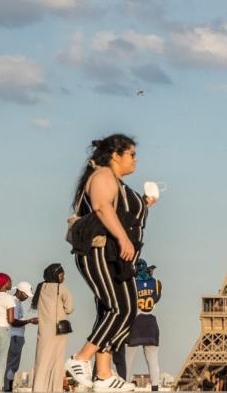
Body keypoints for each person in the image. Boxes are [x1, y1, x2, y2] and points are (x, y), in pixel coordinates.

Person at [65, 134, 155, 393]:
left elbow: (122, 211)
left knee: (121, 311)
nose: (136, 160)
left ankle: (104, 374)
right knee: (119, 308)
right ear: (115, 155)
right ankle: (80, 358)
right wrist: (124, 238)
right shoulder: (103, 175)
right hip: (101, 251)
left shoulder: (117, 183)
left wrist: (146, 204)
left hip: (118, 255)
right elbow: (102, 206)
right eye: (132, 154)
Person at [31, 264, 75, 393]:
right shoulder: (61, 287)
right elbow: (70, 307)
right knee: (57, 360)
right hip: (58, 329)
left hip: (43, 330)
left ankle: (38, 389)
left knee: (41, 360)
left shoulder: (41, 287)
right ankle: (54, 389)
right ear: (56, 275)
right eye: (62, 274)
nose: (64, 277)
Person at [126, 260, 162, 391]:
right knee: (153, 360)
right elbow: (156, 298)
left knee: (128, 360)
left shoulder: (132, 283)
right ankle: (155, 388)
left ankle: (125, 385)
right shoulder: (156, 283)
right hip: (151, 323)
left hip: (135, 321)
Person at [3, 282, 39, 391]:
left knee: (12, 365)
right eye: (26, 295)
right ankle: (8, 389)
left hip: (16, 337)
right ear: (19, 291)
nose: (27, 297)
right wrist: (29, 321)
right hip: (15, 337)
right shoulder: (13, 302)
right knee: (12, 365)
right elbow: (13, 322)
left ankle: (7, 388)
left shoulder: (16, 302)